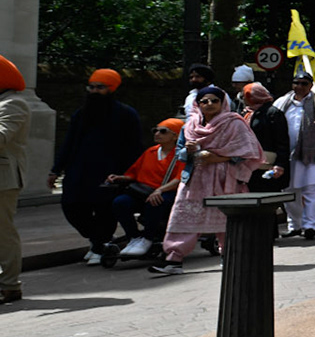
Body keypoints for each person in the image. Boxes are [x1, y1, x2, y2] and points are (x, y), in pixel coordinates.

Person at [147, 88, 263, 276]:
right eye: (204, 101)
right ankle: (173, 260)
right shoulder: (189, 126)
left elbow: (247, 153)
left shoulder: (235, 124)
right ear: (198, 104)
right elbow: (180, 154)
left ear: (222, 102)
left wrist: (218, 158)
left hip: (226, 178)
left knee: (227, 218)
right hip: (195, 178)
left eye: (214, 100)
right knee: (183, 217)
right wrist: (189, 151)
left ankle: (230, 257)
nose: (209, 104)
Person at [51, 69, 145, 263]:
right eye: (91, 87)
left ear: (112, 89)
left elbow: (135, 147)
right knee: (71, 207)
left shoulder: (126, 114)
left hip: (110, 171)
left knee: (104, 210)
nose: (94, 91)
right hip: (78, 170)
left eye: (100, 87)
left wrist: (129, 174)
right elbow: (69, 142)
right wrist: (56, 169)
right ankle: (99, 241)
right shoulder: (81, 114)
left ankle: (99, 245)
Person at [103, 119, 186, 262]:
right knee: (120, 202)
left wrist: (159, 190)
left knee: (155, 202)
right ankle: (134, 237)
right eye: (156, 130)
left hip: (167, 192)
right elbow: (134, 173)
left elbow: (179, 178)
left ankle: (148, 239)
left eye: (163, 131)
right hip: (144, 192)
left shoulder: (180, 155)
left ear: (176, 136)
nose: (157, 134)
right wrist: (121, 177)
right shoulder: (150, 152)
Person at [272, 70, 315, 239]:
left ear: (311, 85)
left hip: (312, 153)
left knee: (311, 189)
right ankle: (295, 225)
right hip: (288, 154)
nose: (299, 86)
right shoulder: (282, 102)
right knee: (289, 190)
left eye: (304, 83)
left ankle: (310, 226)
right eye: (296, 83)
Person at [0, 54, 33, 302]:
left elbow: (2, 137)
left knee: (3, 232)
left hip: (4, 179)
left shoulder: (13, 103)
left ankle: (10, 285)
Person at [240, 82, 290, 193]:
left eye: (245, 96)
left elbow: (282, 141)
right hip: (248, 164)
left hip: (267, 164)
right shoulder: (246, 113)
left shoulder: (273, 113)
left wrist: (280, 165)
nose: (243, 99)